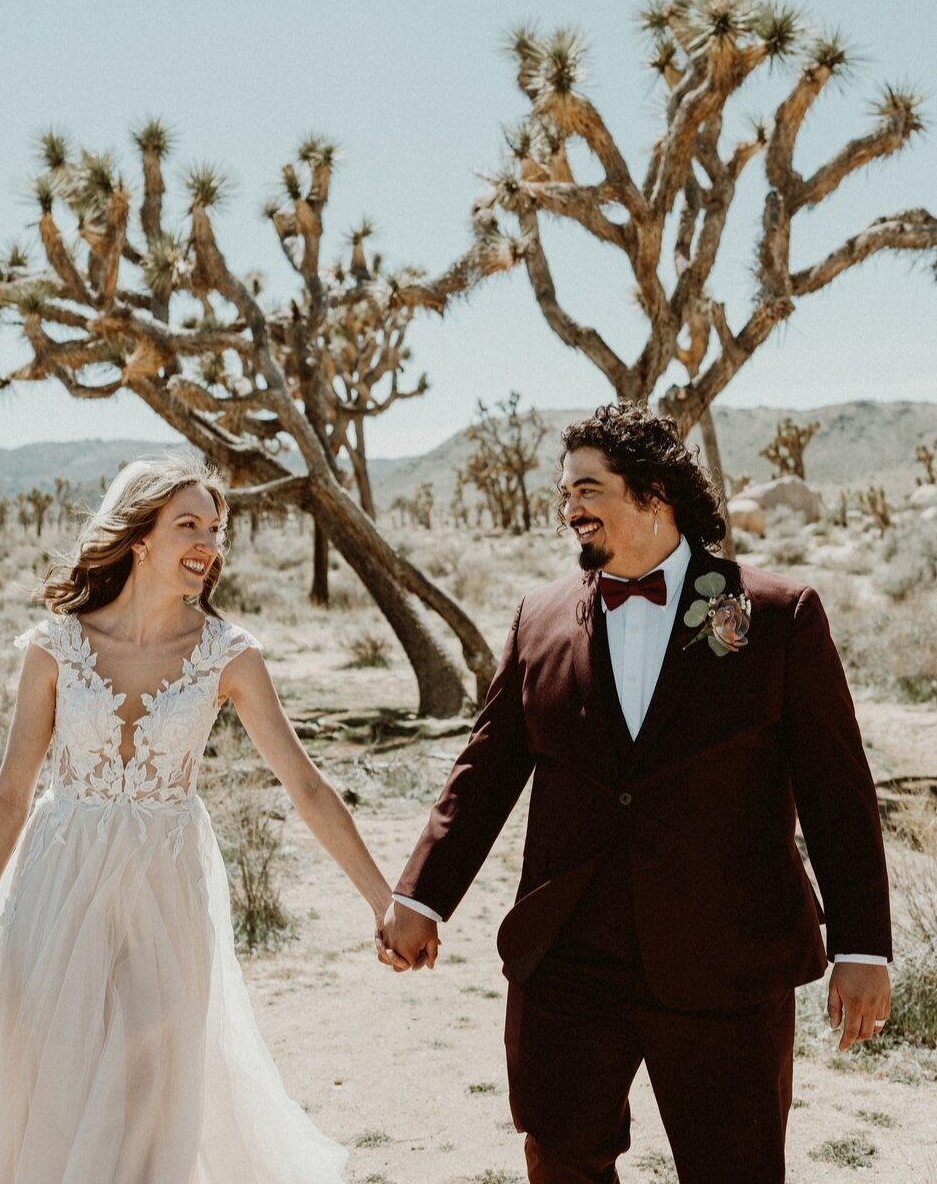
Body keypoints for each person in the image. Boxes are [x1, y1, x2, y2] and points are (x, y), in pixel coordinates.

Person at [378, 402, 892, 1184]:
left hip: (725, 958)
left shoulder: (778, 616)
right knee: (560, 1160)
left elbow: (838, 793)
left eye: (587, 488)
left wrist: (862, 945)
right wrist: (422, 896)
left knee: (735, 1170)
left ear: (654, 492)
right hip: (569, 954)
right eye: (563, 493)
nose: (569, 508)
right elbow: (485, 768)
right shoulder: (539, 616)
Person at [0, 454, 393, 1183]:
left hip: (165, 899)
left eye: (215, 529)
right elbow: (9, 795)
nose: (207, 543)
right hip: (57, 891)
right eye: (187, 524)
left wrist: (385, 901)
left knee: (148, 1090)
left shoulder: (229, 656)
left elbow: (306, 786)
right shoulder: (55, 647)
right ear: (138, 538)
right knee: (56, 1083)